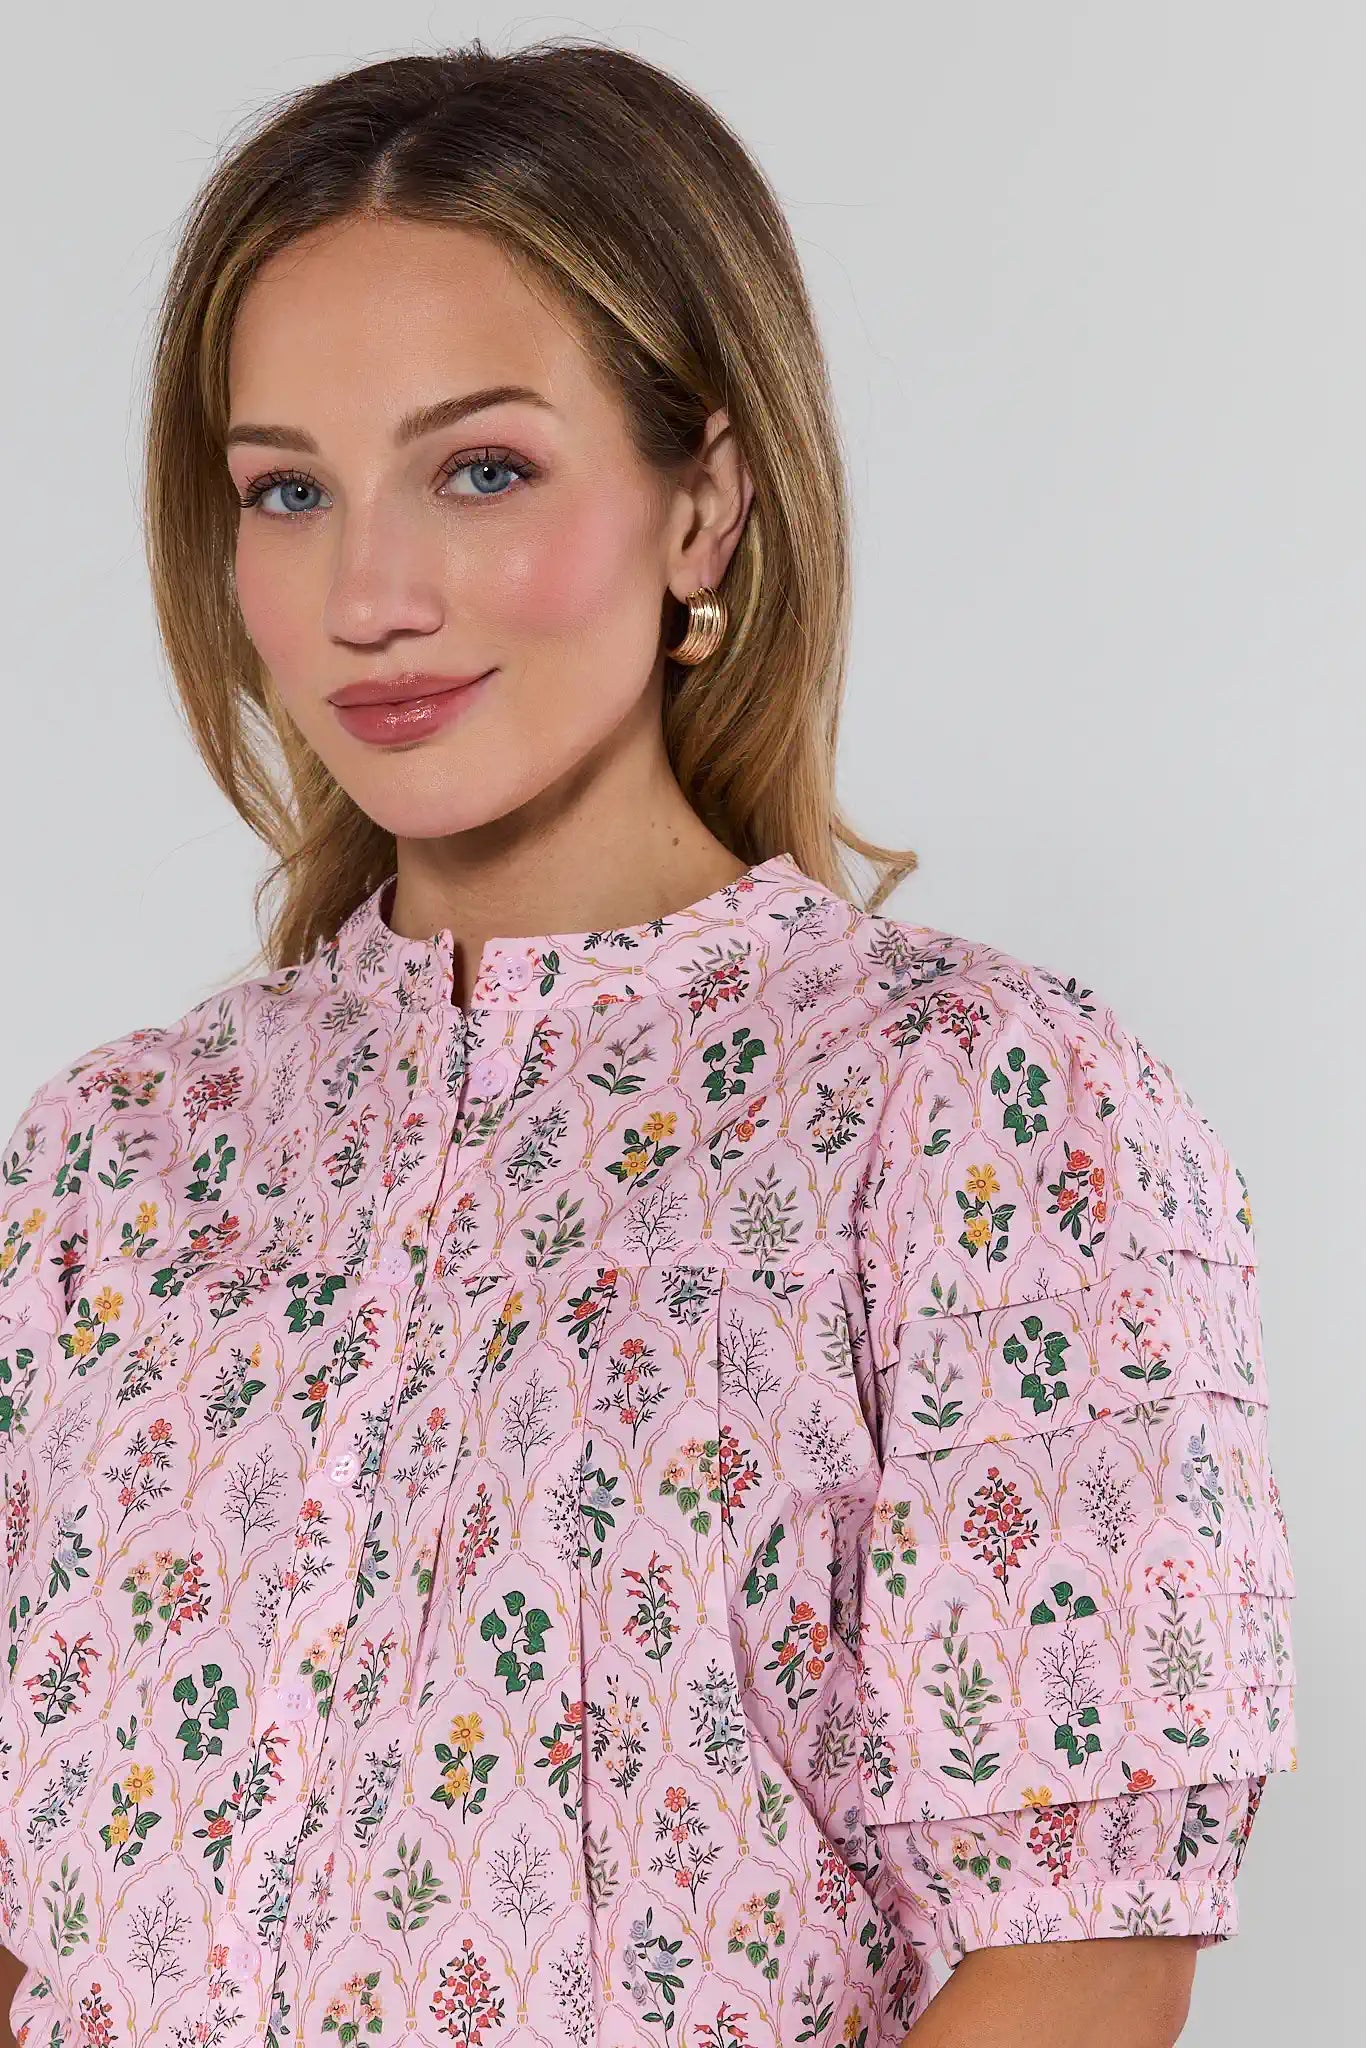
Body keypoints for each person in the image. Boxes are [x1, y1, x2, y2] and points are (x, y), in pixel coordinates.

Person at [0, 39, 1295, 2048]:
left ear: (703, 503)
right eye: (287, 490)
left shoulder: (972, 1111)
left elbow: (1078, 1956)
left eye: (480, 469)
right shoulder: (112, 1159)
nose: (367, 593)